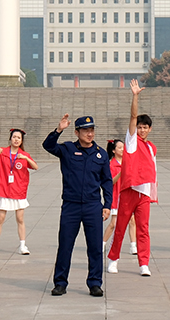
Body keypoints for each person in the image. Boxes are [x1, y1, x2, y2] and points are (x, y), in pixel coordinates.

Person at [42, 113, 114, 296]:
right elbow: (48, 146)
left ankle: (95, 283)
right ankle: (60, 283)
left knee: (95, 247)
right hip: (71, 206)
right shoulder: (67, 149)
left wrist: (107, 205)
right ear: (76, 132)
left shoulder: (101, 154)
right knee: (65, 245)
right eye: (85, 130)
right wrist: (58, 130)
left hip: (92, 206)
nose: (90, 134)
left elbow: (107, 181)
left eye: (92, 130)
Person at [108, 79, 157, 276]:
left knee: (143, 229)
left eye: (145, 127)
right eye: (140, 127)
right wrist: (135, 96)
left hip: (144, 193)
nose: (142, 130)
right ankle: (113, 259)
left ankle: (144, 263)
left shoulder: (151, 147)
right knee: (120, 227)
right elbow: (133, 116)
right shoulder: (131, 141)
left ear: (150, 129)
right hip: (129, 191)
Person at [0, 128, 37, 256]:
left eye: (19, 138)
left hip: (19, 191)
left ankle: (22, 246)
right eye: (14, 137)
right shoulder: (2, 152)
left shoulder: (24, 155)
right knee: (0, 219)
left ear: (21, 140)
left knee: (20, 219)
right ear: (10, 138)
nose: (16, 140)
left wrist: (26, 158)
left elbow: (35, 167)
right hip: (4, 190)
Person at [103, 138, 134, 265]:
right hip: (116, 197)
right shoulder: (111, 165)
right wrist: (121, 173)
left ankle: (133, 245)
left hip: (128, 196)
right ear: (113, 150)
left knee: (132, 221)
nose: (122, 150)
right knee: (114, 223)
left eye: (123, 147)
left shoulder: (128, 162)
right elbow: (110, 182)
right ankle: (103, 243)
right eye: (120, 148)